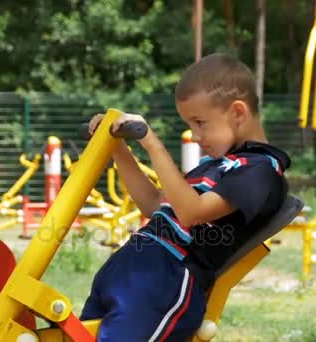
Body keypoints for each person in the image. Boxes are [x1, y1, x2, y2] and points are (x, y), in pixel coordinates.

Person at [81, 53, 291, 341]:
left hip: (166, 276)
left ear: (238, 113)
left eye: (200, 122)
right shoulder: (214, 164)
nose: (194, 135)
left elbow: (192, 213)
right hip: (131, 262)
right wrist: (118, 148)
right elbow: (153, 204)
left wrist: (151, 142)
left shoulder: (260, 172)